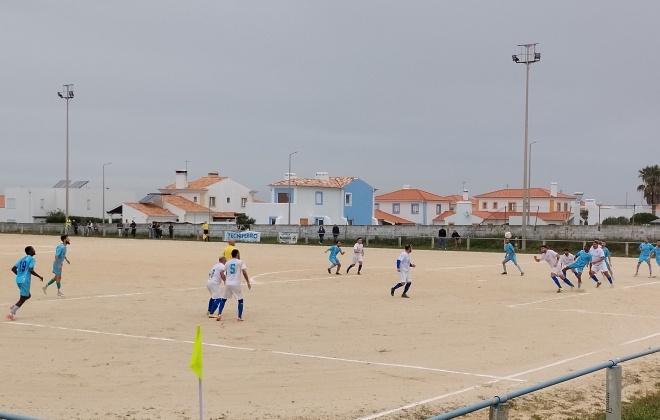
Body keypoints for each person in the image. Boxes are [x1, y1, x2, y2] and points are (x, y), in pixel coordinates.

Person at [7, 246, 44, 320]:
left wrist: (20, 275)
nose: (34, 250)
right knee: (23, 298)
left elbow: (13, 269)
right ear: (30, 252)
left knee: (28, 295)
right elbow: (31, 270)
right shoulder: (32, 259)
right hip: (25, 281)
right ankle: (11, 313)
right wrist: (39, 276)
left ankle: (15, 306)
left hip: (18, 280)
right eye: (33, 249)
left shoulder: (22, 259)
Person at [216, 249, 251, 322]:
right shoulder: (240, 262)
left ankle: (219, 314)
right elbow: (244, 272)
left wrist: (225, 279)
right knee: (240, 299)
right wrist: (247, 281)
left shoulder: (228, 262)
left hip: (228, 283)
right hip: (236, 283)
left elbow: (222, 271)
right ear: (237, 254)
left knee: (224, 299)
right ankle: (239, 317)